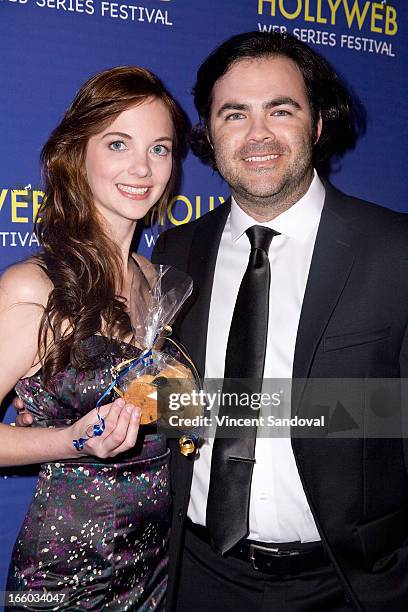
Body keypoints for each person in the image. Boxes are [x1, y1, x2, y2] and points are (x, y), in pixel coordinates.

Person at [150, 32, 408, 611]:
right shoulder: (173, 253)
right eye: (234, 113)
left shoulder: (396, 251)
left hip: (352, 583)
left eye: (281, 109)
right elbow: (177, 407)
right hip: (196, 576)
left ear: (317, 125)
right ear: (209, 135)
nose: (257, 134)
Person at [2, 65, 187, 610]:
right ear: (76, 155)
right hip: (69, 576)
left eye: (160, 148)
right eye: (118, 143)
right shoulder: (35, 287)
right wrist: (70, 439)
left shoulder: (157, 281)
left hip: (156, 570)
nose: (141, 167)